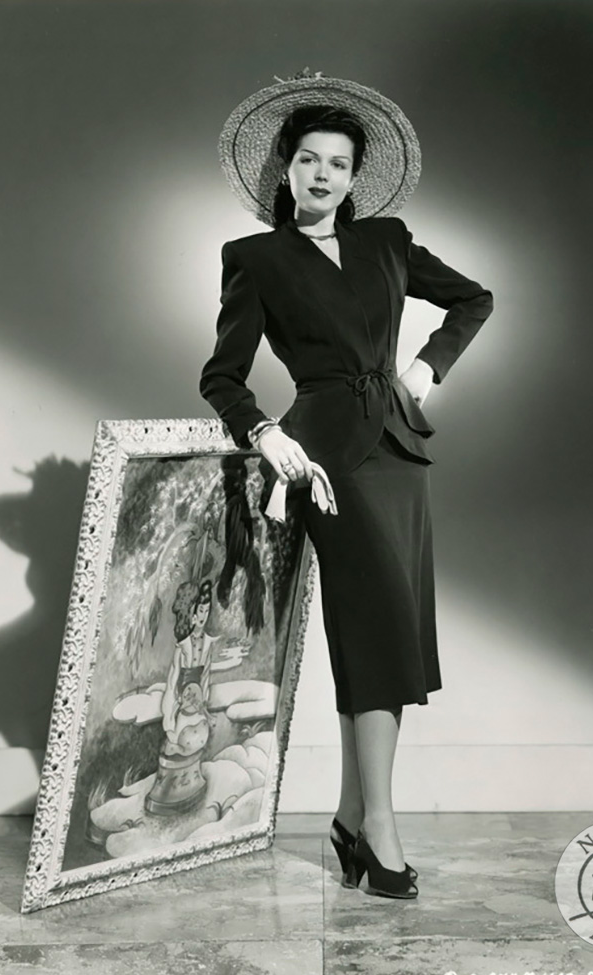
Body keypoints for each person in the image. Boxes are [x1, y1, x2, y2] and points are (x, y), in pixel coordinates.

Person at [200, 71, 494, 898]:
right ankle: (382, 827)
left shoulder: (388, 241)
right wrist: (266, 435)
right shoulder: (255, 258)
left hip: (399, 449)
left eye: (337, 163)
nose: (322, 175)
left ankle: (349, 816)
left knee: (386, 632)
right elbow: (221, 376)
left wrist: (426, 370)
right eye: (308, 160)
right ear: (285, 170)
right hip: (325, 460)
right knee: (378, 632)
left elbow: (473, 300)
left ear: (355, 175)